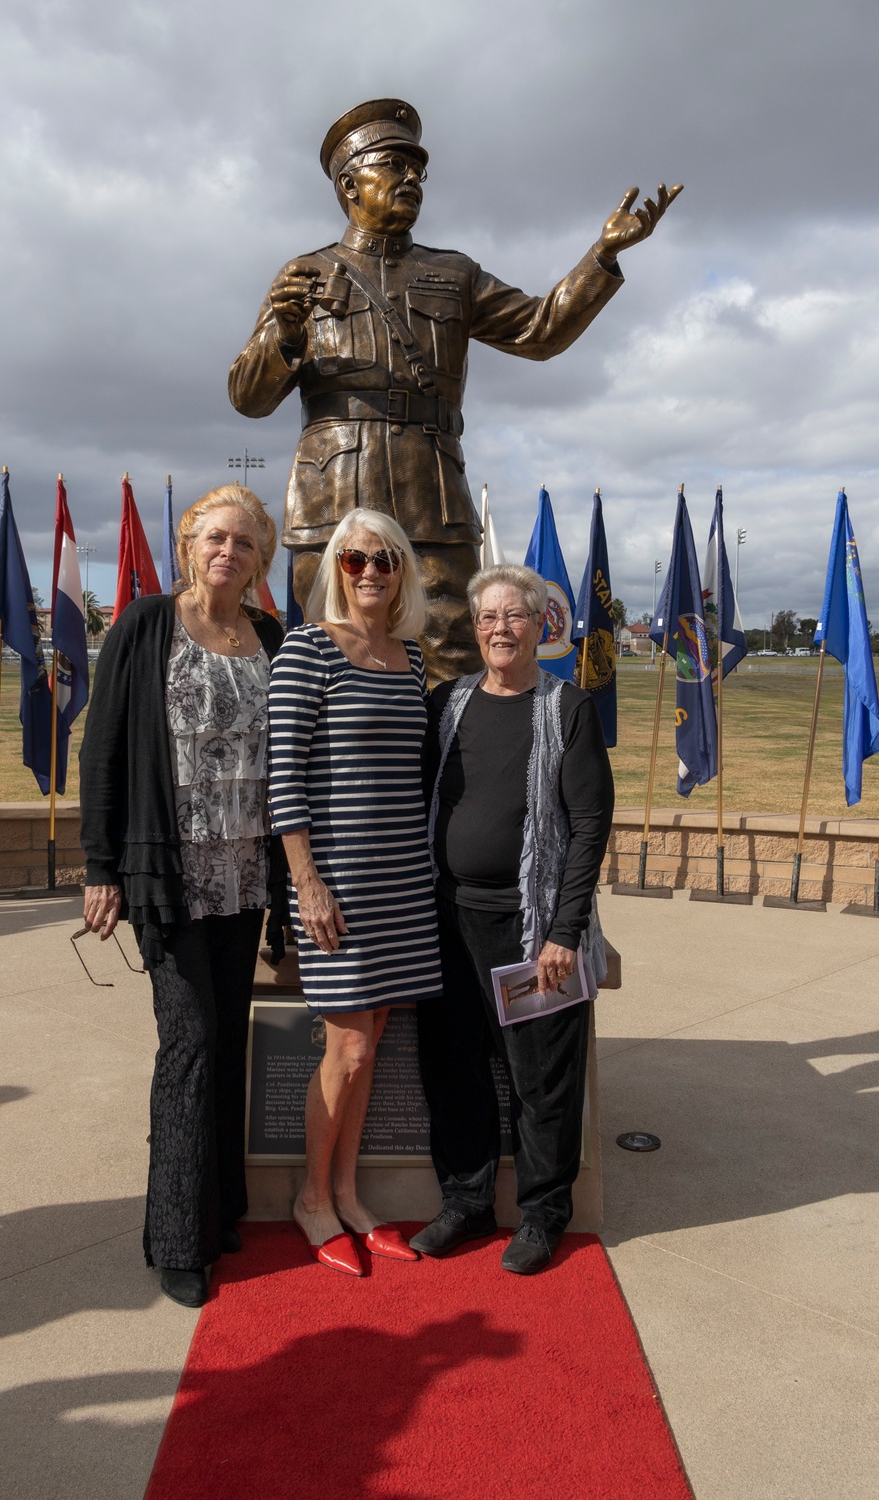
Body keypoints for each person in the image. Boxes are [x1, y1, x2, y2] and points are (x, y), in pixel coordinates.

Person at [229, 97, 681, 683]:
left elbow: (540, 330)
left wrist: (603, 256)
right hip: (332, 494)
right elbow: (248, 395)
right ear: (349, 182)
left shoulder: (455, 273)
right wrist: (285, 333)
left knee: (452, 658)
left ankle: (456, 775)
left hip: (431, 490)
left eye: (418, 169)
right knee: (332, 658)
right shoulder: (305, 274)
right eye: (394, 163)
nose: (411, 178)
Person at [79, 485, 283, 1308]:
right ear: (190, 544)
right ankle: (177, 1236)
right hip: (171, 874)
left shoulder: (269, 634)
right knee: (190, 1045)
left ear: (259, 558)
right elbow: (104, 750)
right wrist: (100, 868)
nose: (227, 552)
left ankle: (221, 1206)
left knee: (228, 1040)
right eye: (214, 538)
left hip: (245, 874)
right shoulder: (145, 625)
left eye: (243, 542)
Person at [411, 563, 615, 1274]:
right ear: (476, 627)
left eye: (514, 616)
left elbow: (589, 825)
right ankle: (465, 1204)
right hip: (448, 922)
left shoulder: (568, 709)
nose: (501, 629)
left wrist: (564, 930)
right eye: (488, 618)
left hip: (532, 932)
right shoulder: (451, 701)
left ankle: (542, 1214)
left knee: (540, 1081)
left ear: (539, 624)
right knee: (455, 1070)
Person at [267, 508, 439, 1276]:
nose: (371, 572)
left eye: (386, 560)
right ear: (334, 568)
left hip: (403, 881)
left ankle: (348, 1192)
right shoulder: (309, 650)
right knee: (351, 1043)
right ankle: (311, 1197)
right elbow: (285, 777)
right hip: (337, 885)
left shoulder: (412, 659)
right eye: (355, 560)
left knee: (372, 1050)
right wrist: (305, 882)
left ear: (403, 572)